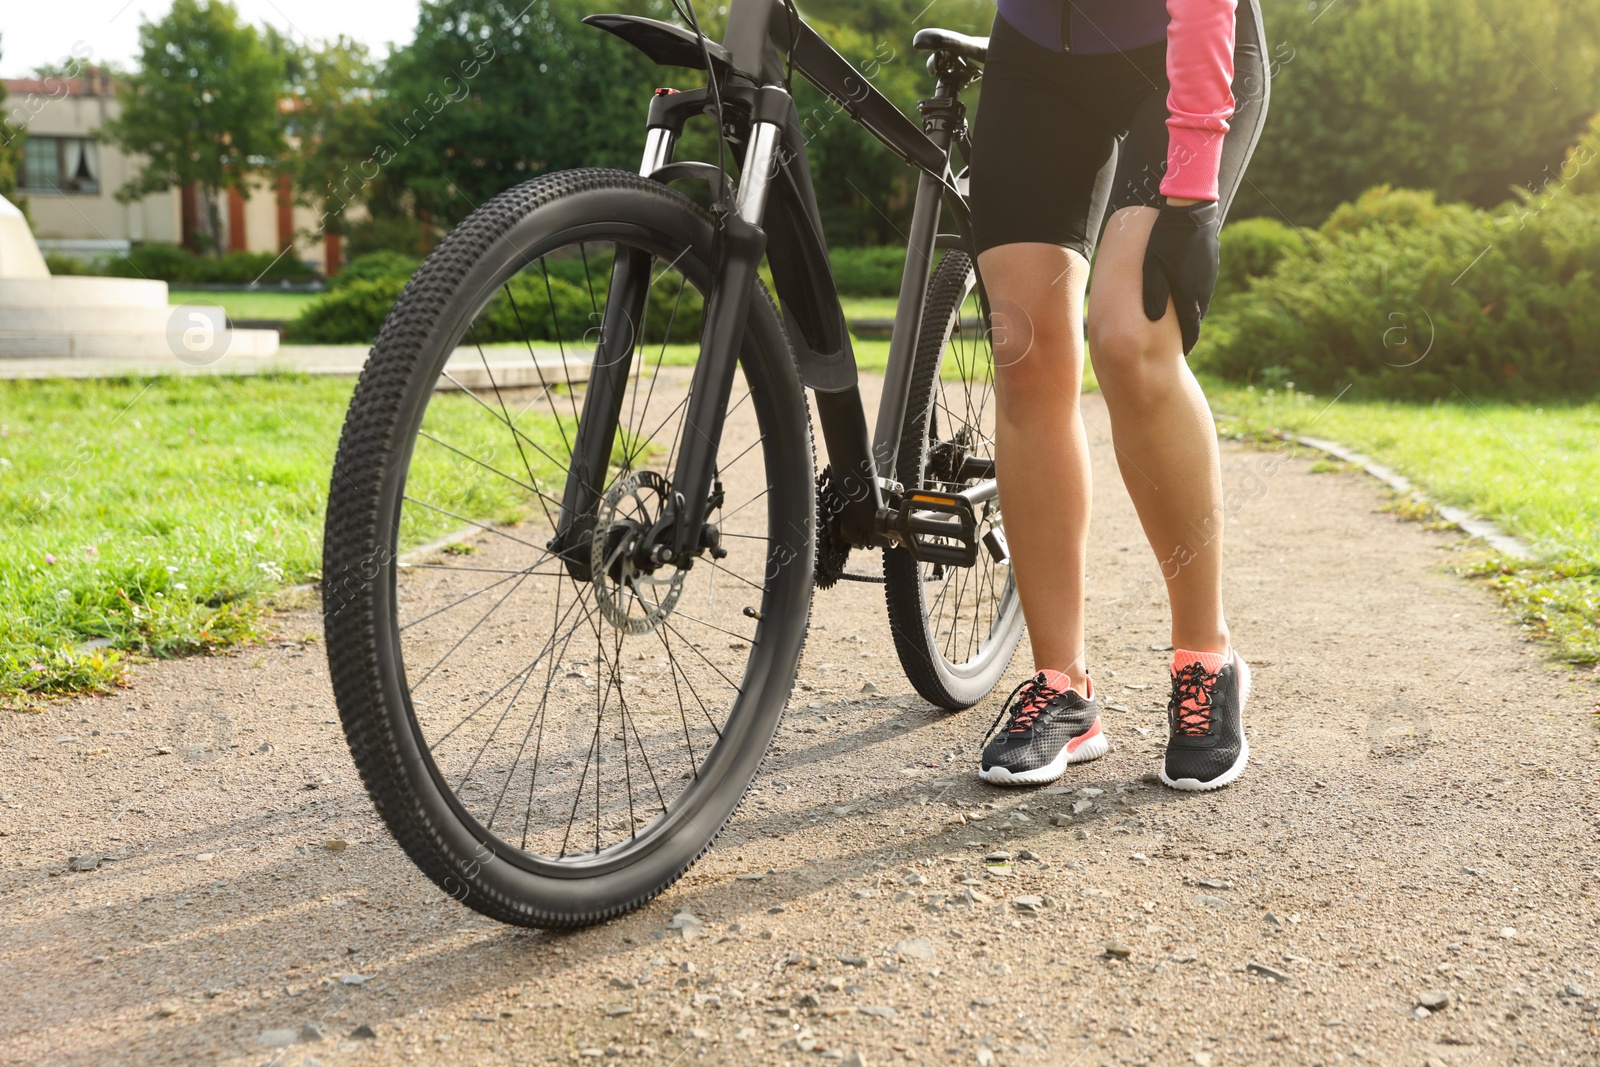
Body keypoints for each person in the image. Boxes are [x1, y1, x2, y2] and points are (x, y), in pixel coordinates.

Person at [969, 0, 1268, 790]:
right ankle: (1062, 685)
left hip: (1181, 47)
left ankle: (1208, 658)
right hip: (1035, 50)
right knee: (1023, 350)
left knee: (1130, 338)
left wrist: (1194, 180)